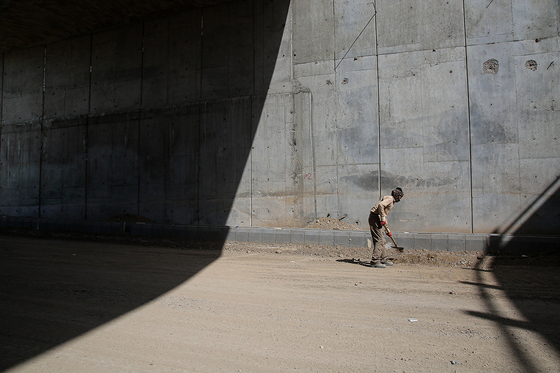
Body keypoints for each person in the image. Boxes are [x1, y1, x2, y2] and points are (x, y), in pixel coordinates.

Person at [368, 187, 404, 268]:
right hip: (375, 217)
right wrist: (383, 218)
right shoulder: (391, 199)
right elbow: (381, 205)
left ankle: (383, 259)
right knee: (379, 240)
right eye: (400, 197)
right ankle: (375, 261)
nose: (400, 199)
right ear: (397, 195)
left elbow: (383, 212)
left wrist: (387, 229)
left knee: (382, 240)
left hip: (377, 217)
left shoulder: (390, 199)